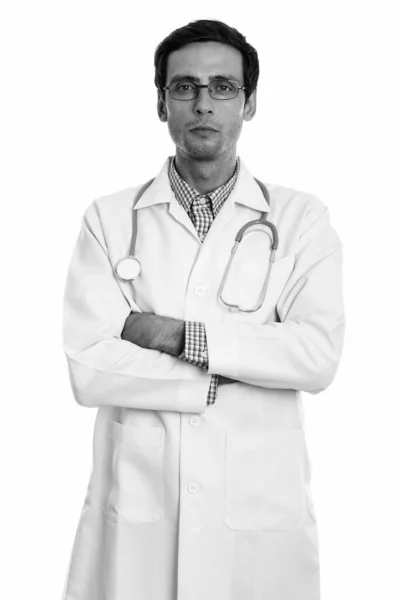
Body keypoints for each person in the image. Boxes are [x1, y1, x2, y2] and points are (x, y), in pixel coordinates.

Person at [62, 18, 345, 600]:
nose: (203, 104)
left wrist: (172, 335)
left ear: (250, 103)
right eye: (184, 87)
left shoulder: (300, 219)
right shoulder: (110, 219)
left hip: (258, 515)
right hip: (144, 509)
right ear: (162, 104)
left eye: (222, 87)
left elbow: (316, 356)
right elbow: (89, 366)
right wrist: (235, 367)